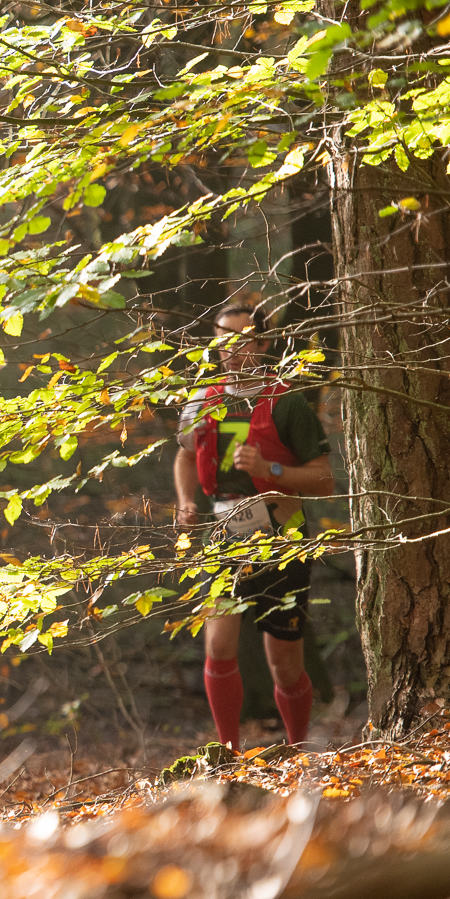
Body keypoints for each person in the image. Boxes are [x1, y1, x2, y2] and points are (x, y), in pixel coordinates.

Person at [172, 305, 335, 751]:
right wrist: (187, 502)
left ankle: (297, 748)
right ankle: (227, 752)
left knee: (283, 661)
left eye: (242, 338)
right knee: (219, 643)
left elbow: (324, 479)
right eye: (223, 336)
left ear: (263, 344)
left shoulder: (288, 403)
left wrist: (271, 470)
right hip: (225, 538)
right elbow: (186, 456)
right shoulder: (201, 400)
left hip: (284, 541)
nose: (231, 348)